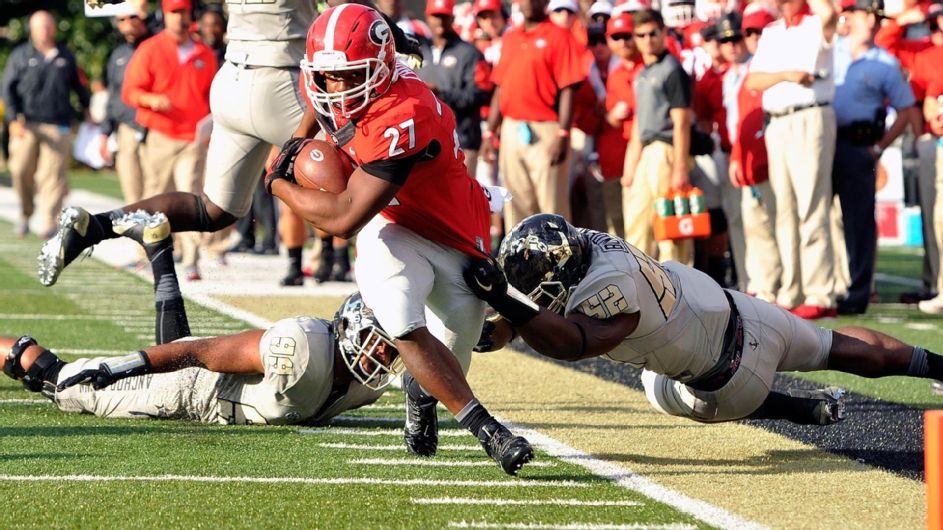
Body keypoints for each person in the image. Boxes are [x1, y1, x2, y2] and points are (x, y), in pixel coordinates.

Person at [266, 4, 534, 476]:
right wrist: (297, 139)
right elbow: (324, 98)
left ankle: (418, 390)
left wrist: (278, 183)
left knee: (453, 354)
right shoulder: (351, 85)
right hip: (392, 225)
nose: (337, 89)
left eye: (351, 77)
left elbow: (346, 216)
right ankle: (488, 430)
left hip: (448, 230)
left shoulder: (403, 113)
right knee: (401, 320)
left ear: (383, 67)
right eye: (329, 77)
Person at [465, 213, 943, 425]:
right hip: (745, 312)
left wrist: (510, 309)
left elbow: (573, 343)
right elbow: (549, 305)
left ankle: (797, 410)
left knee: (656, 387)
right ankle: (936, 366)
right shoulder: (583, 240)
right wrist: (507, 319)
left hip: (731, 381)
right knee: (834, 344)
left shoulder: (605, 292)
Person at [36, 0, 319, 288]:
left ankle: (93, 228)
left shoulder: (198, 50)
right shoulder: (156, 48)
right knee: (357, 176)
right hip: (283, 78)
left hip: (233, 80)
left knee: (213, 209)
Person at [744, 0, 838, 320]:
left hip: (810, 115)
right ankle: (792, 289)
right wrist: (786, 74)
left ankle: (819, 291)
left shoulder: (816, 22)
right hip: (777, 121)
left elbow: (830, 14)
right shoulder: (771, 32)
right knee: (784, 208)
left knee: (811, 204)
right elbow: (753, 81)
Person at [120, 0, 217, 281]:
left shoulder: (204, 53)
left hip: (193, 138)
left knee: (191, 196)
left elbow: (213, 95)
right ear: (165, 15)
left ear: (191, 15)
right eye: (174, 12)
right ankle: (148, 253)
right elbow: (130, 91)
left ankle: (191, 258)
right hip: (161, 135)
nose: (179, 18)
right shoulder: (150, 48)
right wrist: (150, 99)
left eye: (184, 12)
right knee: (156, 195)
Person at [831, 0, 917, 315]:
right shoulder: (830, 50)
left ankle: (858, 293)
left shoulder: (885, 61)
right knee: (817, 220)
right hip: (824, 143)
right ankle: (823, 289)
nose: (873, 21)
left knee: (859, 223)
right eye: (866, 13)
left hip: (859, 146)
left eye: (877, 16)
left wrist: (880, 147)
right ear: (850, 17)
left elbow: (906, 109)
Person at [480, 0, 586, 230]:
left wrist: (563, 132)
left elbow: (568, 88)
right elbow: (500, 86)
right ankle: (522, 263)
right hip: (511, 128)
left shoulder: (560, 36)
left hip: (547, 128)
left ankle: (561, 263)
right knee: (516, 206)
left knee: (552, 208)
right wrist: (489, 132)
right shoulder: (510, 38)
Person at [2, 10, 90, 239]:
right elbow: (7, 89)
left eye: (49, 26)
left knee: (52, 176)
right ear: (32, 29)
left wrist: (87, 109)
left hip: (58, 124)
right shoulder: (20, 55)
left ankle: (48, 222)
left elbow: (79, 86)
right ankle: (25, 212)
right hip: (26, 123)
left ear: (54, 28)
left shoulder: (65, 55)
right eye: (40, 27)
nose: (45, 31)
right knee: (20, 169)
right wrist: (12, 119)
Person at [620, 8, 695, 264]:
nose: (648, 39)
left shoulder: (672, 69)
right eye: (641, 35)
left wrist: (681, 166)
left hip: (667, 150)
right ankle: (637, 285)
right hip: (646, 153)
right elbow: (640, 123)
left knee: (670, 228)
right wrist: (630, 166)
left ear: (663, 32)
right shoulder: (642, 74)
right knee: (636, 223)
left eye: (653, 33)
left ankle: (679, 288)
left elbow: (682, 121)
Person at [721, 8, 782, 304]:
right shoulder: (739, 75)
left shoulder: (776, 65)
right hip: (746, 156)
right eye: (750, 33)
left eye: (760, 32)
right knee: (754, 226)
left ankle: (781, 284)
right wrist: (737, 156)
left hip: (773, 155)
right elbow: (739, 122)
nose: (754, 38)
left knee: (780, 222)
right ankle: (761, 284)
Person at [419, 0, 491, 181]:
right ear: (427, 17)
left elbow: (482, 93)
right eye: (436, 16)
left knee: (461, 202)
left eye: (444, 16)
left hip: (462, 141)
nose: (440, 22)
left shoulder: (469, 53)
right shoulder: (419, 51)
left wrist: (441, 93)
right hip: (425, 143)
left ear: (452, 17)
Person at [99, 4, 153, 207]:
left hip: (155, 128)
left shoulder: (158, 45)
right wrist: (105, 133)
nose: (128, 24)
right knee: (132, 192)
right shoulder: (118, 54)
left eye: (133, 17)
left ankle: (166, 236)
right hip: (127, 129)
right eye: (121, 20)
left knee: (158, 189)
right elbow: (113, 96)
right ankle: (139, 237)